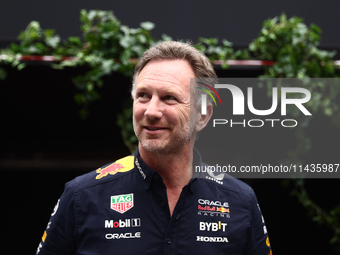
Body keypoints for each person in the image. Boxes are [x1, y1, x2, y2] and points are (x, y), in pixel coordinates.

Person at [36, 41, 273, 254]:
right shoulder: (82, 196)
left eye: (169, 97)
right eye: (143, 95)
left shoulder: (240, 200)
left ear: (202, 116)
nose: (151, 111)